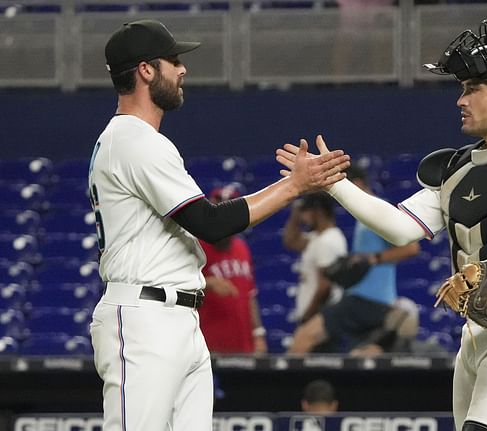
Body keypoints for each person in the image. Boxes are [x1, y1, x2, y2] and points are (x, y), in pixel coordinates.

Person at [277, 20, 487, 431]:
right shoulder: (456, 170)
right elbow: (399, 228)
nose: (460, 100)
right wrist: (335, 184)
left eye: (472, 88)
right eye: (461, 88)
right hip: (474, 336)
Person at [88, 19, 349, 431]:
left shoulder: (136, 140)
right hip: (144, 318)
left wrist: (293, 186)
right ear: (146, 70)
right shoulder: (134, 140)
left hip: (178, 318)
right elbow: (210, 223)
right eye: (173, 59)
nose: (183, 69)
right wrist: (294, 185)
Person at [289, 166, 420, 354]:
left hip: (365, 301)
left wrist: (373, 258)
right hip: (369, 302)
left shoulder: (375, 210)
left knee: (304, 336)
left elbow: (412, 248)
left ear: (357, 184)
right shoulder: (365, 217)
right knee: (360, 355)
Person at [198, 184, 266, 354]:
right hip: (208, 344)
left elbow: (250, 295)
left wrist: (258, 334)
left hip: (243, 344)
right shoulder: (197, 246)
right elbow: (174, 285)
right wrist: (208, 282)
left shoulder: (241, 247)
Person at [282, 192, 348, 326]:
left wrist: (307, 318)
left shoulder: (327, 241)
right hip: (320, 319)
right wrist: (295, 215)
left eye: (306, 212)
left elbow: (325, 286)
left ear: (319, 212)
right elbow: (290, 241)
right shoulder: (318, 237)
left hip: (319, 319)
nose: (303, 217)